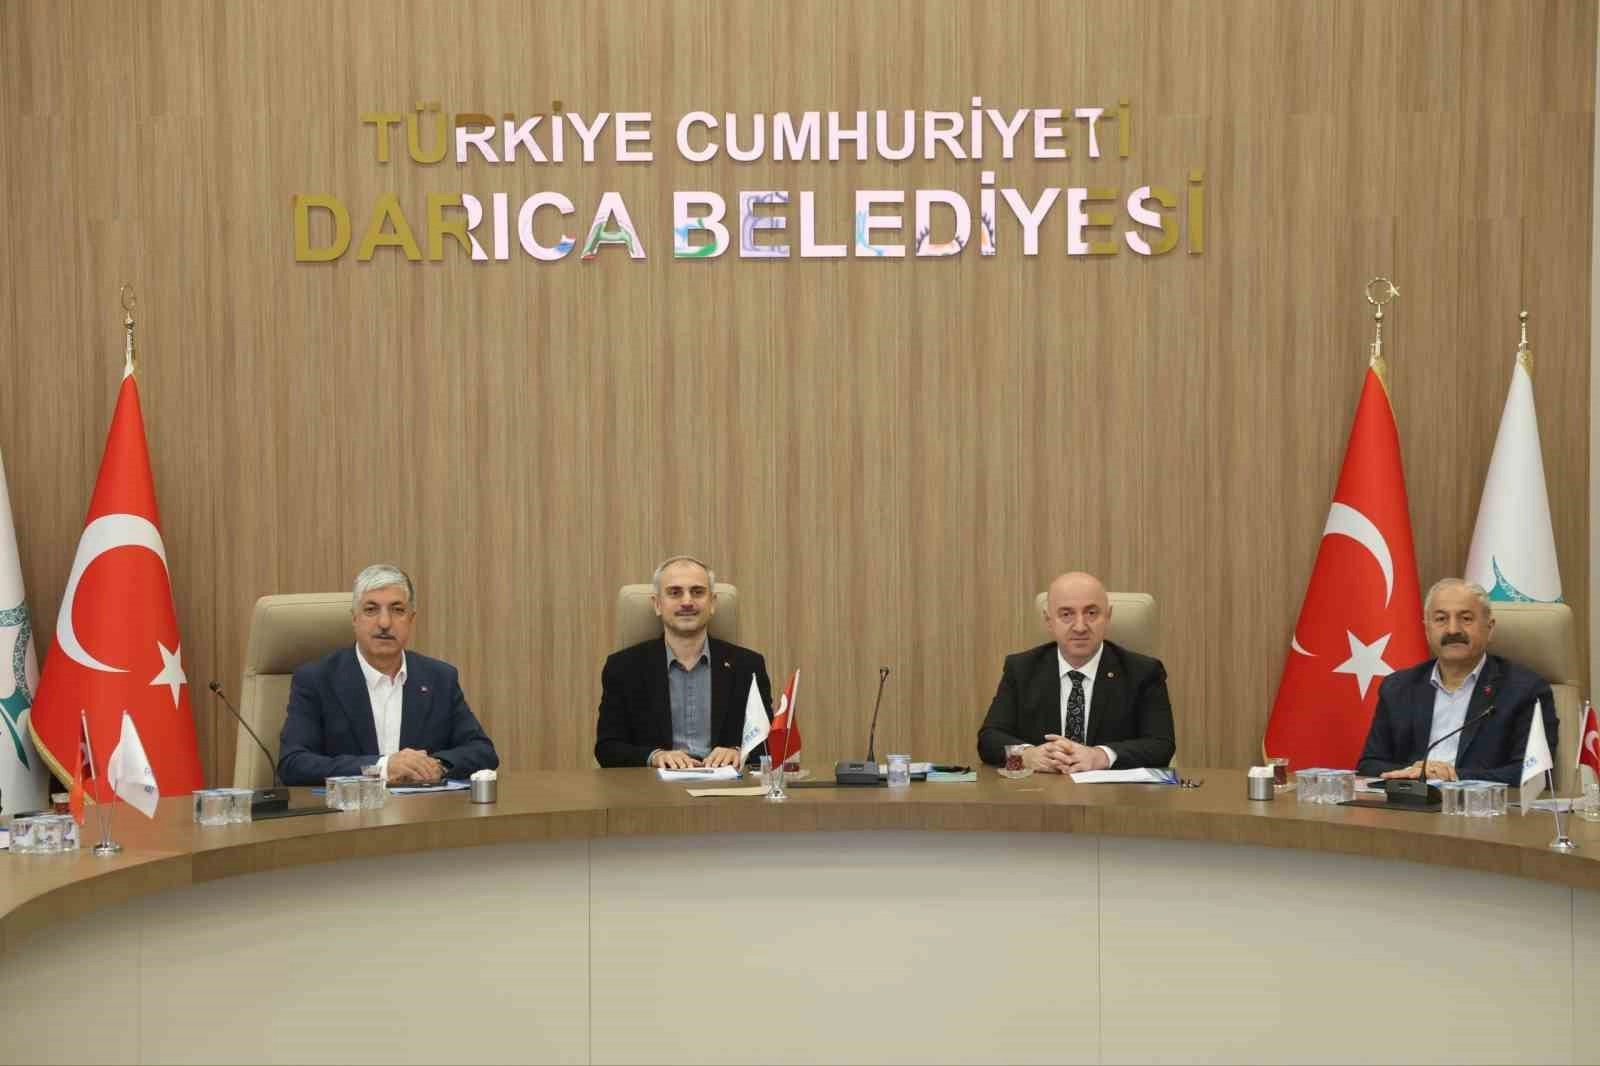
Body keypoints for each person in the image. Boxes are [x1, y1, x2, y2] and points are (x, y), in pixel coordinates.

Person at [277, 564, 499, 786]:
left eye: (397, 610)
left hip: (421, 807)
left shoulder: (439, 678)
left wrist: (437, 766)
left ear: (411, 619)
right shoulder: (317, 680)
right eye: (371, 610)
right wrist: (382, 767)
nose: (384, 623)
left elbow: (482, 751)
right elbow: (293, 763)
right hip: (351, 807)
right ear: (354, 618)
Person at [1357, 578, 1556, 785]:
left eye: (1466, 619)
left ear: (1489, 628)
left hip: (1480, 804)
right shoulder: (1398, 688)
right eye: (1441, 619)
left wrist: (1453, 776)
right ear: (1427, 630)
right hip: (1411, 801)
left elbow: (1534, 773)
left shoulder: (1525, 690)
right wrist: (1413, 772)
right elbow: (1369, 765)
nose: (1453, 630)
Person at [978, 571, 1176, 772]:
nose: (1080, 627)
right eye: (1066, 614)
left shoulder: (1143, 673)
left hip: (1112, 790)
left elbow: (1161, 745)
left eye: (1091, 613)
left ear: (1108, 617)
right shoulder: (1022, 669)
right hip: (1041, 788)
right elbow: (989, 739)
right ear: (1048, 620)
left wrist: (1101, 756)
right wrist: (1026, 754)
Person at [595, 555, 773, 769]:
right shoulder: (623, 668)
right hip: (653, 786)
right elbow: (607, 748)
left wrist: (738, 751)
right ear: (657, 604)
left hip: (725, 785)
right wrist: (654, 756)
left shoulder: (748, 666)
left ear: (712, 603)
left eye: (697, 592)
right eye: (674, 592)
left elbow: (769, 743)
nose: (687, 602)